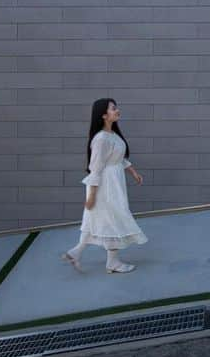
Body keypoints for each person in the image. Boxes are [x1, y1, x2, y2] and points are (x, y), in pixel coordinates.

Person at [60, 98, 147, 274]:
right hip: (104, 185)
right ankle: (112, 262)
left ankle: (75, 253)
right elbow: (96, 168)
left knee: (98, 220)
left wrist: (133, 172)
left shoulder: (112, 135)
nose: (117, 110)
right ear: (104, 115)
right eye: (113, 108)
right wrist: (92, 195)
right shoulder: (100, 139)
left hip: (114, 182)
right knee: (113, 220)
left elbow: (119, 158)